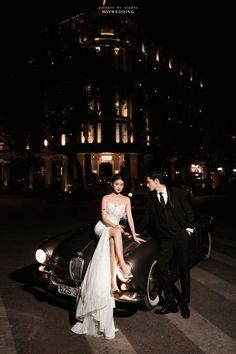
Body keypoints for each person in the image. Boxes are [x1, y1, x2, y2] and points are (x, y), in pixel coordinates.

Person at [71, 173, 145, 339]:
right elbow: (104, 217)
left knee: (114, 242)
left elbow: (131, 218)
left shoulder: (126, 200)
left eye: (121, 184)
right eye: (116, 184)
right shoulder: (105, 197)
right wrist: (115, 226)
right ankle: (123, 267)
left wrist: (134, 235)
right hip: (103, 226)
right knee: (116, 233)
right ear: (112, 184)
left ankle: (112, 282)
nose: (119, 187)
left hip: (114, 230)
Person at [137, 171, 195, 319]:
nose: (147, 184)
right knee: (161, 267)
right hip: (165, 239)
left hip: (181, 237)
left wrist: (188, 230)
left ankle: (184, 303)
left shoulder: (176, 192)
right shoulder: (151, 197)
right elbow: (147, 216)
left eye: (148, 182)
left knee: (183, 270)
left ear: (156, 181)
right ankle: (171, 304)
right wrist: (135, 232)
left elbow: (189, 211)